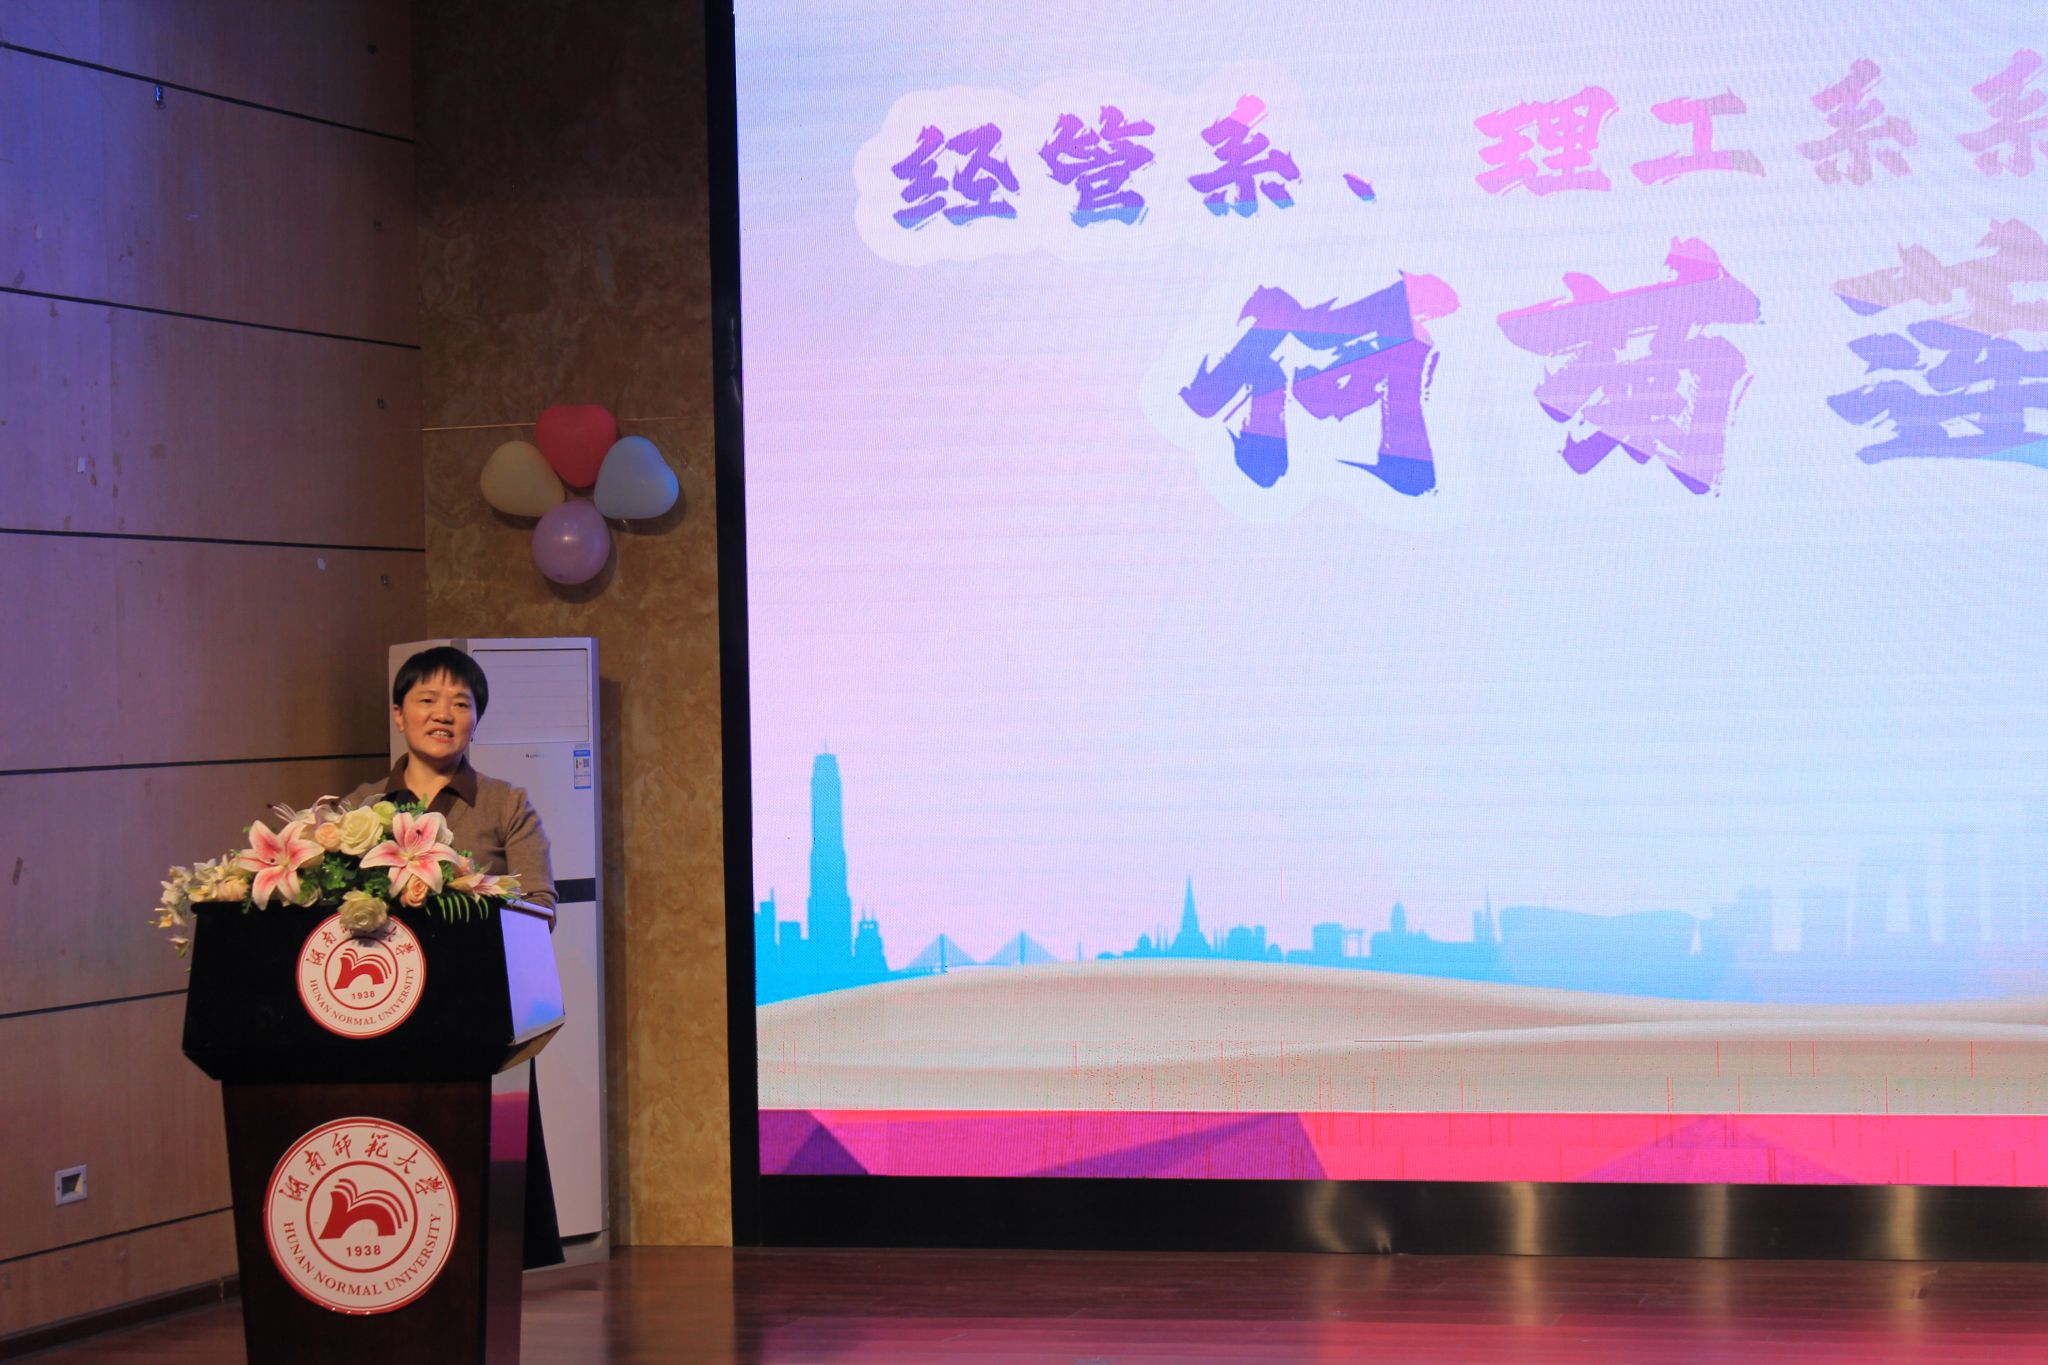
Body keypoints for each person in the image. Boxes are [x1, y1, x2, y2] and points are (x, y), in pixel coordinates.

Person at [341, 644, 566, 1269]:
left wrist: (465, 897)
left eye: (460, 704)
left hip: (479, 1018)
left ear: (476, 720)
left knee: (480, 1185)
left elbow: (540, 906)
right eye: (427, 700)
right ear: (399, 714)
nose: (443, 714)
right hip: (379, 1014)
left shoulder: (505, 803)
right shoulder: (359, 809)